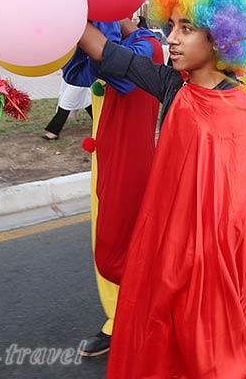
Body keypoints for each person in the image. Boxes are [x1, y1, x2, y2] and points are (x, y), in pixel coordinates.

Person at [77, 0, 246, 379]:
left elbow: (242, 194)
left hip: (217, 247)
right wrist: (65, 12)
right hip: (173, 237)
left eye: (187, 28)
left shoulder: (238, 104)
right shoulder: (172, 85)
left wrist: (215, 246)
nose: (172, 39)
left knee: (210, 330)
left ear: (219, 38)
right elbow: (110, 55)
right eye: (171, 26)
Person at [78, 19, 163, 358]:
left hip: (133, 161)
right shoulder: (125, 41)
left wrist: (81, 24)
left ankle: (141, 316)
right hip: (106, 157)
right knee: (109, 239)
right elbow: (77, 74)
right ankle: (121, 317)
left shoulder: (150, 46)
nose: (176, 37)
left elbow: (118, 67)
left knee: (117, 245)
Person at [42, 43, 98, 140]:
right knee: (86, 100)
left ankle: (53, 131)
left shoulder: (82, 38)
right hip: (69, 75)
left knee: (66, 103)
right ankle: (101, 122)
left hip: (80, 77)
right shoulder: (67, 40)